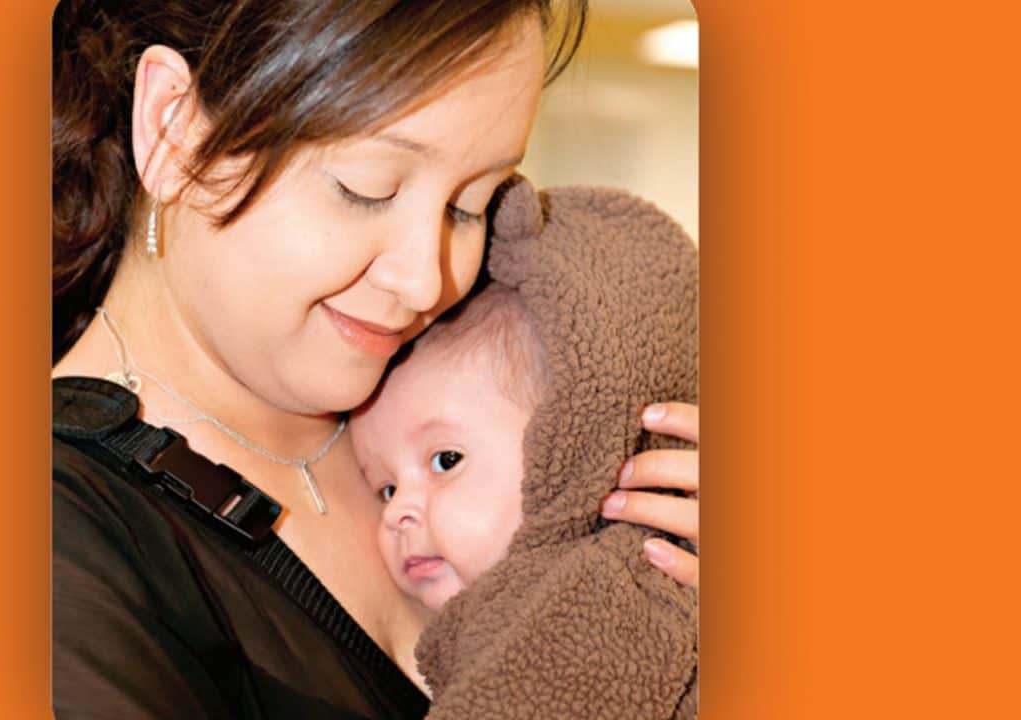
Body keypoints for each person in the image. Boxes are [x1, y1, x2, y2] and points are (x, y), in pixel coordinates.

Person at [51, 1, 699, 718]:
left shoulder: (513, 352)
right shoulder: (59, 546)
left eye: (471, 205)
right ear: (173, 128)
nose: (427, 281)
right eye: (368, 190)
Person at [349, 179, 698, 719]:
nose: (397, 511)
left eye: (446, 460)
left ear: (572, 441)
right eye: (386, 487)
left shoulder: (601, 603)